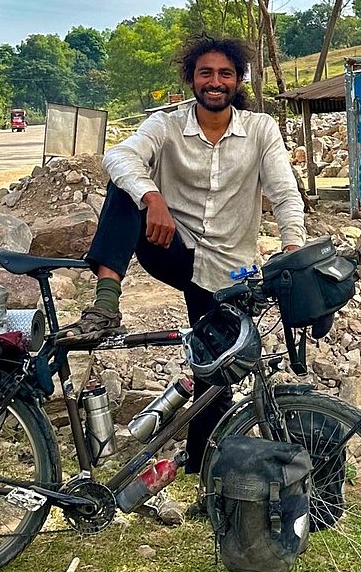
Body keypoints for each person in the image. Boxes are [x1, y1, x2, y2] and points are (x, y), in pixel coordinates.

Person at [61, 35, 306, 500]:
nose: (215, 82)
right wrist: (152, 196)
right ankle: (105, 302)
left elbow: (284, 191)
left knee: (215, 373)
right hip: (170, 246)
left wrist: (292, 245)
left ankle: (204, 474)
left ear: (238, 81)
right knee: (125, 186)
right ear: (191, 79)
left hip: (227, 269)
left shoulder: (260, 130)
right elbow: (119, 155)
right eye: (206, 73)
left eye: (225, 74)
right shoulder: (166, 125)